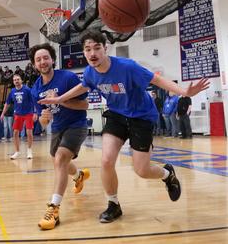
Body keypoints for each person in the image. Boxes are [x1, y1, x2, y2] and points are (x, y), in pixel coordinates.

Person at [39, 30, 210, 224]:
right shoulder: (89, 72)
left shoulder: (127, 67)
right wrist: (60, 99)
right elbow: (84, 86)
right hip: (117, 115)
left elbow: (156, 79)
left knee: (142, 170)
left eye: (96, 48)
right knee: (106, 161)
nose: (92, 53)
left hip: (141, 117)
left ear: (106, 48)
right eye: (87, 49)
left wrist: (184, 92)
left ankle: (167, 174)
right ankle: (114, 204)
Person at [29, 43, 90, 230]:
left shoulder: (68, 78)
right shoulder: (35, 89)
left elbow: (85, 105)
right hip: (57, 127)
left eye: (45, 57)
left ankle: (54, 208)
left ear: (52, 59)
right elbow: (43, 121)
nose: (42, 62)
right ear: (34, 65)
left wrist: (61, 100)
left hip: (76, 125)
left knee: (60, 159)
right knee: (57, 158)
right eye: (38, 59)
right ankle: (79, 175)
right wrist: (44, 118)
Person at [0, 74, 35, 159]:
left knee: (29, 133)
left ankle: (29, 151)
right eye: (15, 80)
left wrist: (35, 112)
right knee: (15, 133)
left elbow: (34, 101)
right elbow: (7, 103)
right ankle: (17, 151)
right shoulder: (12, 91)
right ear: (13, 82)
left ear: (21, 80)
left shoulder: (27, 90)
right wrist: (2, 113)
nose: (16, 81)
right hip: (18, 114)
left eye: (18, 79)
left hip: (28, 113)